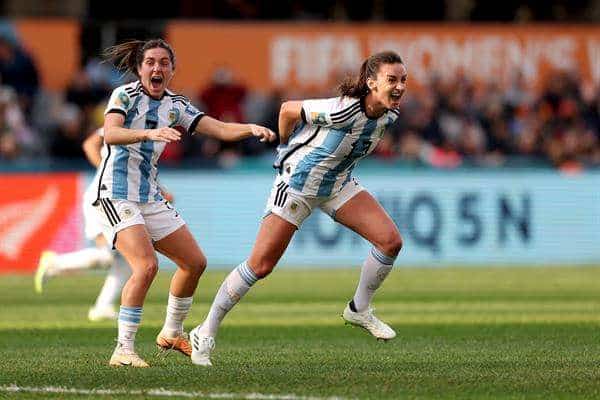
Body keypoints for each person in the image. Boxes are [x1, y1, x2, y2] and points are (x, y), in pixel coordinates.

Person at [190, 51, 407, 366]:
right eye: (392, 80)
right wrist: (284, 146)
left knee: (390, 241)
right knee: (260, 266)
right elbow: (287, 109)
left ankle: (359, 309)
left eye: (403, 80)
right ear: (371, 83)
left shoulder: (390, 114)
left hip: (337, 185)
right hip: (298, 185)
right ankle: (205, 330)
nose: (400, 86)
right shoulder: (342, 109)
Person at [97, 39, 275, 368]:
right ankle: (123, 348)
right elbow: (110, 133)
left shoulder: (175, 105)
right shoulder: (125, 96)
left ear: (172, 69)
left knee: (194, 262)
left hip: (149, 195)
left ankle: (171, 331)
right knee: (146, 266)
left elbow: (218, 128)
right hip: (116, 192)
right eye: (150, 62)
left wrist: (249, 128)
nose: (157, 68)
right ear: (139, 68)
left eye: (164, 63)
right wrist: (149, 135)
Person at [34, 128, 131, 322]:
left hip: (112, 199)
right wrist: (104, 170)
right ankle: (55, 263)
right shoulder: (124, 120)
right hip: (102, 198)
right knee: (111, 254)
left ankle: (102, 307)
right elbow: (89, 144)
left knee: (125, 261)